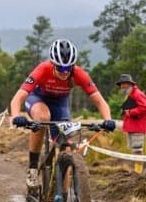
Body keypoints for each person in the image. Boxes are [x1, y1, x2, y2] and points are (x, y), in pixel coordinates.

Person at [10, 38, 116, 188]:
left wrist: (108, 120)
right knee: (42, 117)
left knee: (67, 148)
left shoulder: (78, 73)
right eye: (60, 68)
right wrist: (16, 116)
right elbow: (17, 98)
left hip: (60, 105)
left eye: (68, 68)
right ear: (53, 64)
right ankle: (33, 169)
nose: (65, 72)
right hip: (37, 99)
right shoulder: (43, 69)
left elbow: (100, 101)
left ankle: (64, 199)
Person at [116, 74, 146, 174]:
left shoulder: (137, 94)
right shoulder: (130, 95)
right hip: (131, 127)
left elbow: (145, 107)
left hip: (137, 127)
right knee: (135, 150)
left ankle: (138, 171)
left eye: (124, 84)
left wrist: (130, 112)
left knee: (138, 150)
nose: (122, 86)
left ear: (130, 84)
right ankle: (136, 170)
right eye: (121, 84)